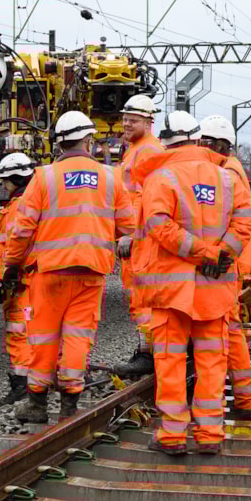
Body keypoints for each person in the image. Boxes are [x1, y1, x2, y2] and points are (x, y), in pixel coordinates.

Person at [132, 111, 251, 454]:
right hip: (215, 290)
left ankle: (171, 436)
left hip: (171, 290)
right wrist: (221, 255)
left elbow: (160, 227)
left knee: (170, 361)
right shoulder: (227, 178)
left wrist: (203, 253)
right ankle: (210, 435)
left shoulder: (161, 177)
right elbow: (245, 224)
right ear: (198, 140)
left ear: (166, 142)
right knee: (212, 362)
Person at [6, 111, 135, 423]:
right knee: (78, 337)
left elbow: (22, 228)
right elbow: (128, 226)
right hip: (91, 273)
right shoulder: (110, 177)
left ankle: (36, 404)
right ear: (89, 141)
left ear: (60, 144)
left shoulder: (43, 177)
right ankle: (69, 404)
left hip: (49, 273)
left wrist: (11, 264)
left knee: (44, 336)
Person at [198, 114, 251, 421]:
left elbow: (238, 224)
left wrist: (219, 256)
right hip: (238, 260)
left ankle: (242, 398)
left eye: (207, 143)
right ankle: (245, 397)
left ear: (222, 146)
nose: (201, 148)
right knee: (233, 330)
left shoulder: (229, 174)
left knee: (227, 331)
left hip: (236, 262)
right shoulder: (228, 170)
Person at [111, 95, 164, 378]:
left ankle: (148, 354)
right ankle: (148, 350)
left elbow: (146, 196)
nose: (126, 123)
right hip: (135, 237)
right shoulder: (136, 150)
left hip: (139, 240)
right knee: (138, 297)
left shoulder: (148, 151)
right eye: (125, 118)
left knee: (143, 298)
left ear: (148, 121)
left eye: (133, 119)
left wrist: (131, 233)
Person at [0, 152, 36, 407]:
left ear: (16, 179)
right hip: (16, 281)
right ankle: (32, 382)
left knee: (19, 332)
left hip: (18, 282)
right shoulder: (21, 205)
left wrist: (6, 278)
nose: (3, 186)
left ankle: (22, 384)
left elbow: (15, 247)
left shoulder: (19, 208)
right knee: (25, 331)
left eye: (5, 181)